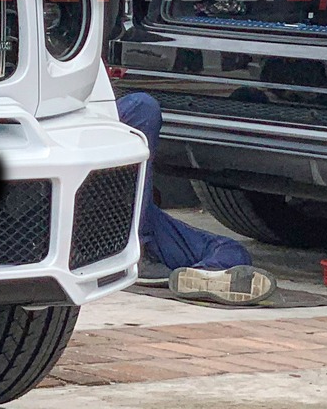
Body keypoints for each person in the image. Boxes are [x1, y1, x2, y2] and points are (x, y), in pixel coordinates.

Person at [117, 92, 276, 306]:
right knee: (142, 106)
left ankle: (198, 276)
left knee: (234, 253)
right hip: (95, 212)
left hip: (131, 213)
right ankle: (136, 252)